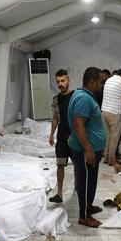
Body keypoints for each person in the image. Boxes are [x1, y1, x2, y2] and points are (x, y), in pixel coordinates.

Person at [68, 67, 107, 228]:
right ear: (92, 82)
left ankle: (88, 206)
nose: (102, 85)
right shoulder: (83, 99)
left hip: (90, 149)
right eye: (100, 82)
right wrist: (89, 150)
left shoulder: (85, 96)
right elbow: (78, 124)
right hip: (85, 151)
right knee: (84, 183)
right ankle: (84, 216)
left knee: (90, 181)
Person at [47, 69, 74, 204]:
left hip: (75, 136)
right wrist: (51, 134)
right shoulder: (56, 99)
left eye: (63, 81)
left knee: (77, 165)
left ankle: (77, 189)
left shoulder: (75, 96)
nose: (60, 84)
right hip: (62, 137)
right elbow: (55, 117)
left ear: (68, 80)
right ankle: (59, 193)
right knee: (60, 165)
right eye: (58, 81)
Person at [101, 66, 121, 165]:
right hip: (114, 113)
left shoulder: (109, 80)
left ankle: (106, 157)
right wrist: (120, 98)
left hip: (104, 111)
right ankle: (111, 159)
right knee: (114, 137)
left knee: (108, 136)